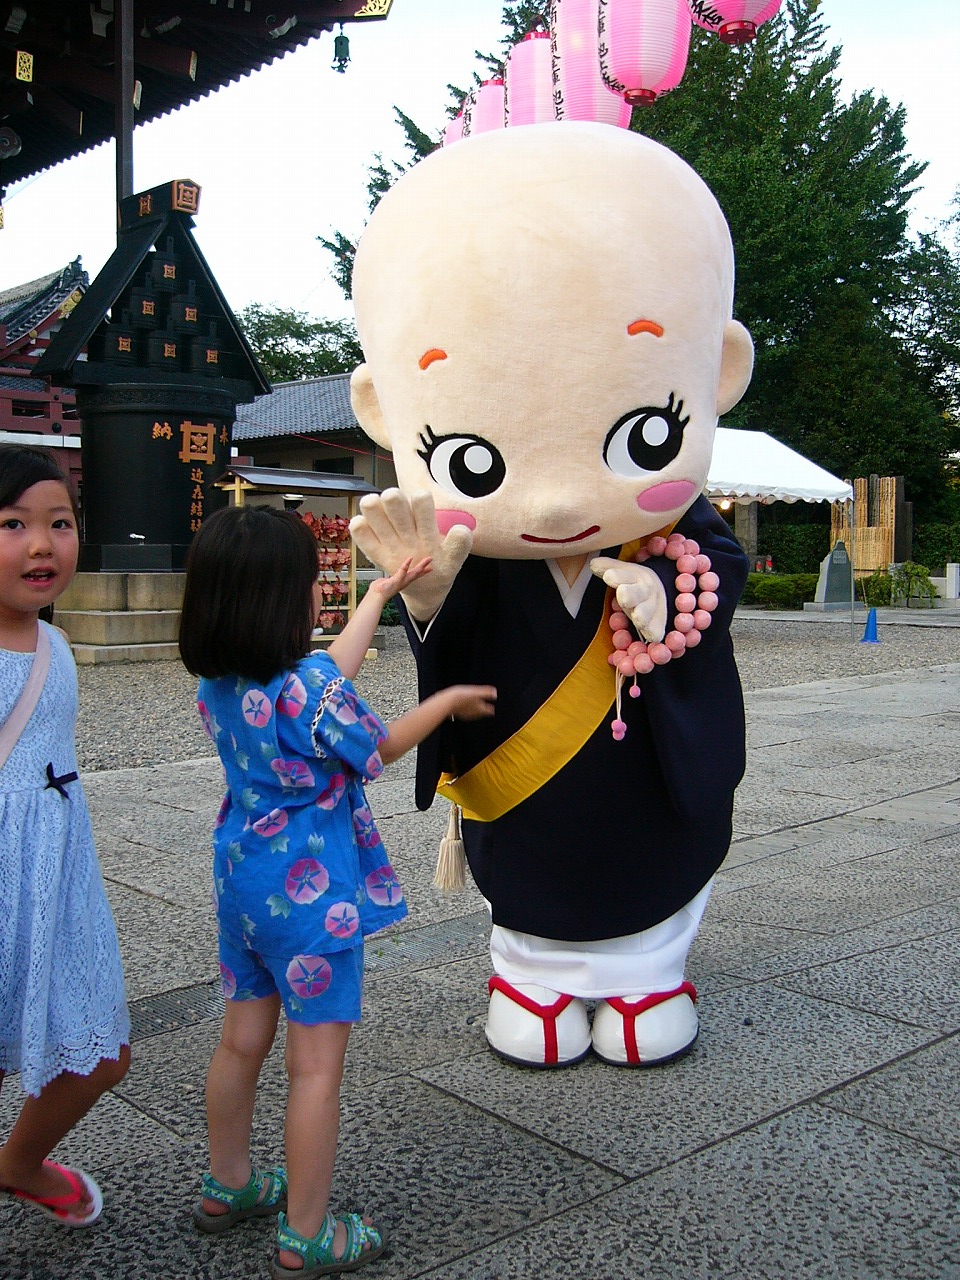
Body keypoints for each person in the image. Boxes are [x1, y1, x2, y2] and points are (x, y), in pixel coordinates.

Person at [348, 122, 754, 1069]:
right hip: (522, 771)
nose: (561, 505)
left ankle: (651, 973)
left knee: (647, 862)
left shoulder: (676, 534)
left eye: (646, 435)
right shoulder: (478, 554)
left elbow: (717, 566)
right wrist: (427, 599)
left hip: (642, 768)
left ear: (720, 372)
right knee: (531, 866)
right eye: (472, 461)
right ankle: (529, 977)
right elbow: (448, 635)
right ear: (382, 410)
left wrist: (666, 588)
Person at [178, 504, 495, 1279]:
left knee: (239, 1042)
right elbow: (378, 743)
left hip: (244, 887)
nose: (319, 591)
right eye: (309, 582)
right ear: (281, 601)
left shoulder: (220, 687)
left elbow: (327, 672)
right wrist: (446, 702)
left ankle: (229, 1184)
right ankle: (308, 1233)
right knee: (315, 1069)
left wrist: (379, 594)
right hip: (313, 906)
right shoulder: (310, 695)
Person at [0, 443, 131, 1227]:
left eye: (60, 523)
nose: (42, 545)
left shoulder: (55, 644)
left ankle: (17, 1163)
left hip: (57, 881)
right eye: (12, 524)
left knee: (101, 1053)